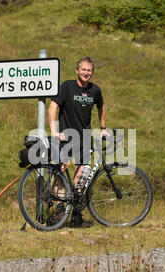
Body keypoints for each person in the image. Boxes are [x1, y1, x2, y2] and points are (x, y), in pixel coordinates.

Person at [48, 56, 109, 227]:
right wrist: (54, 131)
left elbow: (101, 106)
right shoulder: (67, 87)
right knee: (60, 175)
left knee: (81, 175)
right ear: (77, 70)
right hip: (66, 136)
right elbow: (53, 106)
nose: (86, 73)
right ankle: (60, 211)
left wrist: (103, 127)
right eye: (83, 69)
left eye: (89, 70)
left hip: (85, 138)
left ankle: (75, 214)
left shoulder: (95, 90)